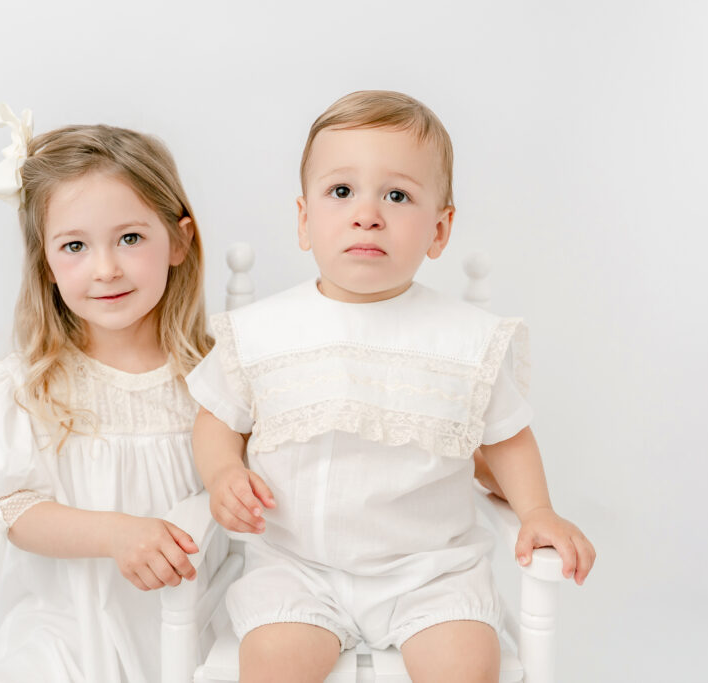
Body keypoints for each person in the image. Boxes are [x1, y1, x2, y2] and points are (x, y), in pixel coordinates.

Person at [187, 91, 596, 682]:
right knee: (274, 666)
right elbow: (217, 420)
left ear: (439, 228)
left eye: (397, 195)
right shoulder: (264, 333)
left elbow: (506, 437)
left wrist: (536, 510)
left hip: (432, 572)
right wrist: (224, 472)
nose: (367, 213)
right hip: (297, 568)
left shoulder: (464, 340)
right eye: (341, 191)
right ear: (305, 220)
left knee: (465, 668)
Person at [0, 104, 211, 682]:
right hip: (71, 625)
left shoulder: (213, 377)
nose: (106, 269)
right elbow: (16, 512)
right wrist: (118, 533)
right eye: (75, 246)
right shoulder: (30, 387)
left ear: (177, 240)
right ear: (45, 262)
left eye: (129, 238)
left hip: (192, 614)